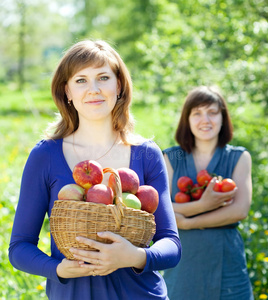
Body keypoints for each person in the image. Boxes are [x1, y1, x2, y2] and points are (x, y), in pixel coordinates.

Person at [9, 40, 181, 300]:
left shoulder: (146, 154)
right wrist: (59, 269)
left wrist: (134, 256)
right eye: (81, 80)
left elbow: (171, 244)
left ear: (119, 86)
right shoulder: (45, 156)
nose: (94, 89)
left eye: (103, 77)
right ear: (67, 91)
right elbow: (19, 247)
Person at [162, 86, 253, 300]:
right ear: (187, 119)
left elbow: (239, 211)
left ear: (223, 117)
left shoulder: (239, 157)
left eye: (212, 112)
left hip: (226, 263)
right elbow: (160, 208)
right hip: (182, 264)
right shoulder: (170, 158)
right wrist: (204, 205)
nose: (206, 120)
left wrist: (188, 222)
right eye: (197, 113)